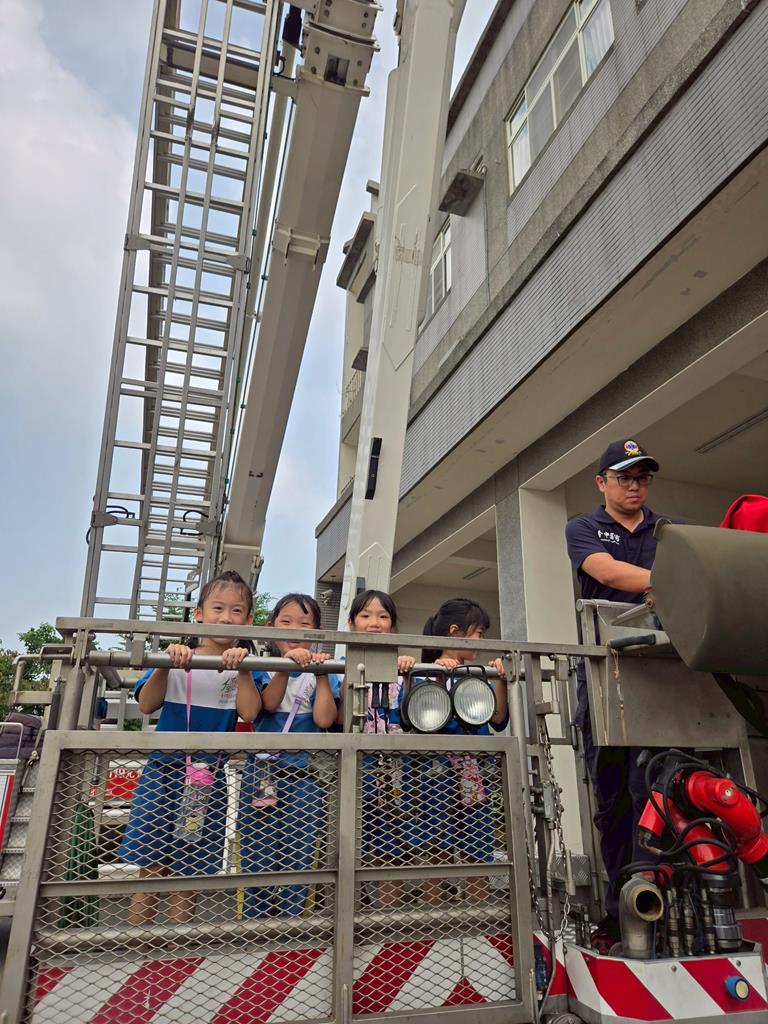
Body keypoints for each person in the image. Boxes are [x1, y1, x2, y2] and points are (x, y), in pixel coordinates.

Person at [565, 438, 669, 949]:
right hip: (605, 675)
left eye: (642, 478)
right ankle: (618, 913)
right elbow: (604, 571)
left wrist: (668, 583)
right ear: (601, 482)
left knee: (655, 791)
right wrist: (666, 580)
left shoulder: (666, 530)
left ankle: (663, 906)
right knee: (612, 801)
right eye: (624, 477)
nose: (634, 486)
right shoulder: (583, 528)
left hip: (663, 678)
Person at [119, 570, 262, 925]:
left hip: (206, 779)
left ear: (248, 619)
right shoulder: (177, 658)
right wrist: (166, 666)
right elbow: (146, 704)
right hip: (162, 772)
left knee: (189, 872)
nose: (225, 617)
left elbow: (250, 712)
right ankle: (136, 945)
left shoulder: (249, 668)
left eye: (236, 611)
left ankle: (177, 950)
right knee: (151, 867)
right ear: (198, 614)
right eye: (217, 608)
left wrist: (244, 669)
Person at [238, 593, 341, 917]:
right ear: (271, 627)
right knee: (257, 851)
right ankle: (253, 923)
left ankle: (291, 924)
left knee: (300, 851)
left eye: (304, 624)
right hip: (261, 773)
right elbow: (267, 705)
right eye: (286, 622)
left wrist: (321, 675)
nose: (295, 630)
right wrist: (285, 667)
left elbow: (325, 720)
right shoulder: (261, 668)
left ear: (317, 632)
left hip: (306, 776)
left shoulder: (325, 672)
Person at [403, 597, 507, 904]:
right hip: (434, 773)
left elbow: (498, 718)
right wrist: (437, 673)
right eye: (478, 633)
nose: (481, 641)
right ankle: (434, 918)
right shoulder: (423, 672)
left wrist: (500, 679)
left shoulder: (479, 674)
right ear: (454, 632)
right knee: (436, 849)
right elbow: (411, 719)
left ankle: (476, 917)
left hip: (473, 773)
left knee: (478, 849)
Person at [346, 589, 415, 907]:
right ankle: (351, 917)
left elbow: (410, 715)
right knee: (349, 847)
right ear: (351, 624)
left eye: (383, 616)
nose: (374, 622)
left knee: (390, 849)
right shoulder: (340, 668)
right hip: (354, 772)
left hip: (393, 774)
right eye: (365, 616)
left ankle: (389, 920)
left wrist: (408, 672)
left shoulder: (401, 672)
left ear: (393, 625)